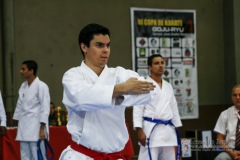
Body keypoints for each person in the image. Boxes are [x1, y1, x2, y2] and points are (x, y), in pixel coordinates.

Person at [59, 23, 156, 160]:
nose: (106, 50)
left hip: (115, 155)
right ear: (84, 47)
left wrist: (116, 97)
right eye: (99, 45)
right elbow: (82, 98)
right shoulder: (73, 76)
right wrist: (121, 89)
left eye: (108, 45)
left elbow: (149, 91)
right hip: (82, 155)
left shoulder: (119, 74)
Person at [133, 54, 182, 160]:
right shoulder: (144, 85)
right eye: (156, 63)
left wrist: (177, 128)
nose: (160, 66)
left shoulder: (168, 86)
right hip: (151, 131)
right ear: (149, 67)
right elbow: (138, 109)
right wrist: (139, 130)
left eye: (162, 63)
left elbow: (174, 108)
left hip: (168, 132)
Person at [13, 60, 50, 160]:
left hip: (36, 128)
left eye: (23, 69)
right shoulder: (23, 86)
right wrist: (16, 121)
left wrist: (42, 129)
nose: (21, 71)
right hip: (23, 127)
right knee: (24, 156)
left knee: (37, 156)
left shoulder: (41, 86)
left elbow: (45, 108)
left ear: (31, 71)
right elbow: (19, 105)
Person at [214, 84, 240, 160]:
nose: (237, 97)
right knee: (220, 158)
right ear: (231, 97)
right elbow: (219, 138)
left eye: (239, 95)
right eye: (235, 95)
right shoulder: (225, 114)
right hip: (230, 150)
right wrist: (232, 153)